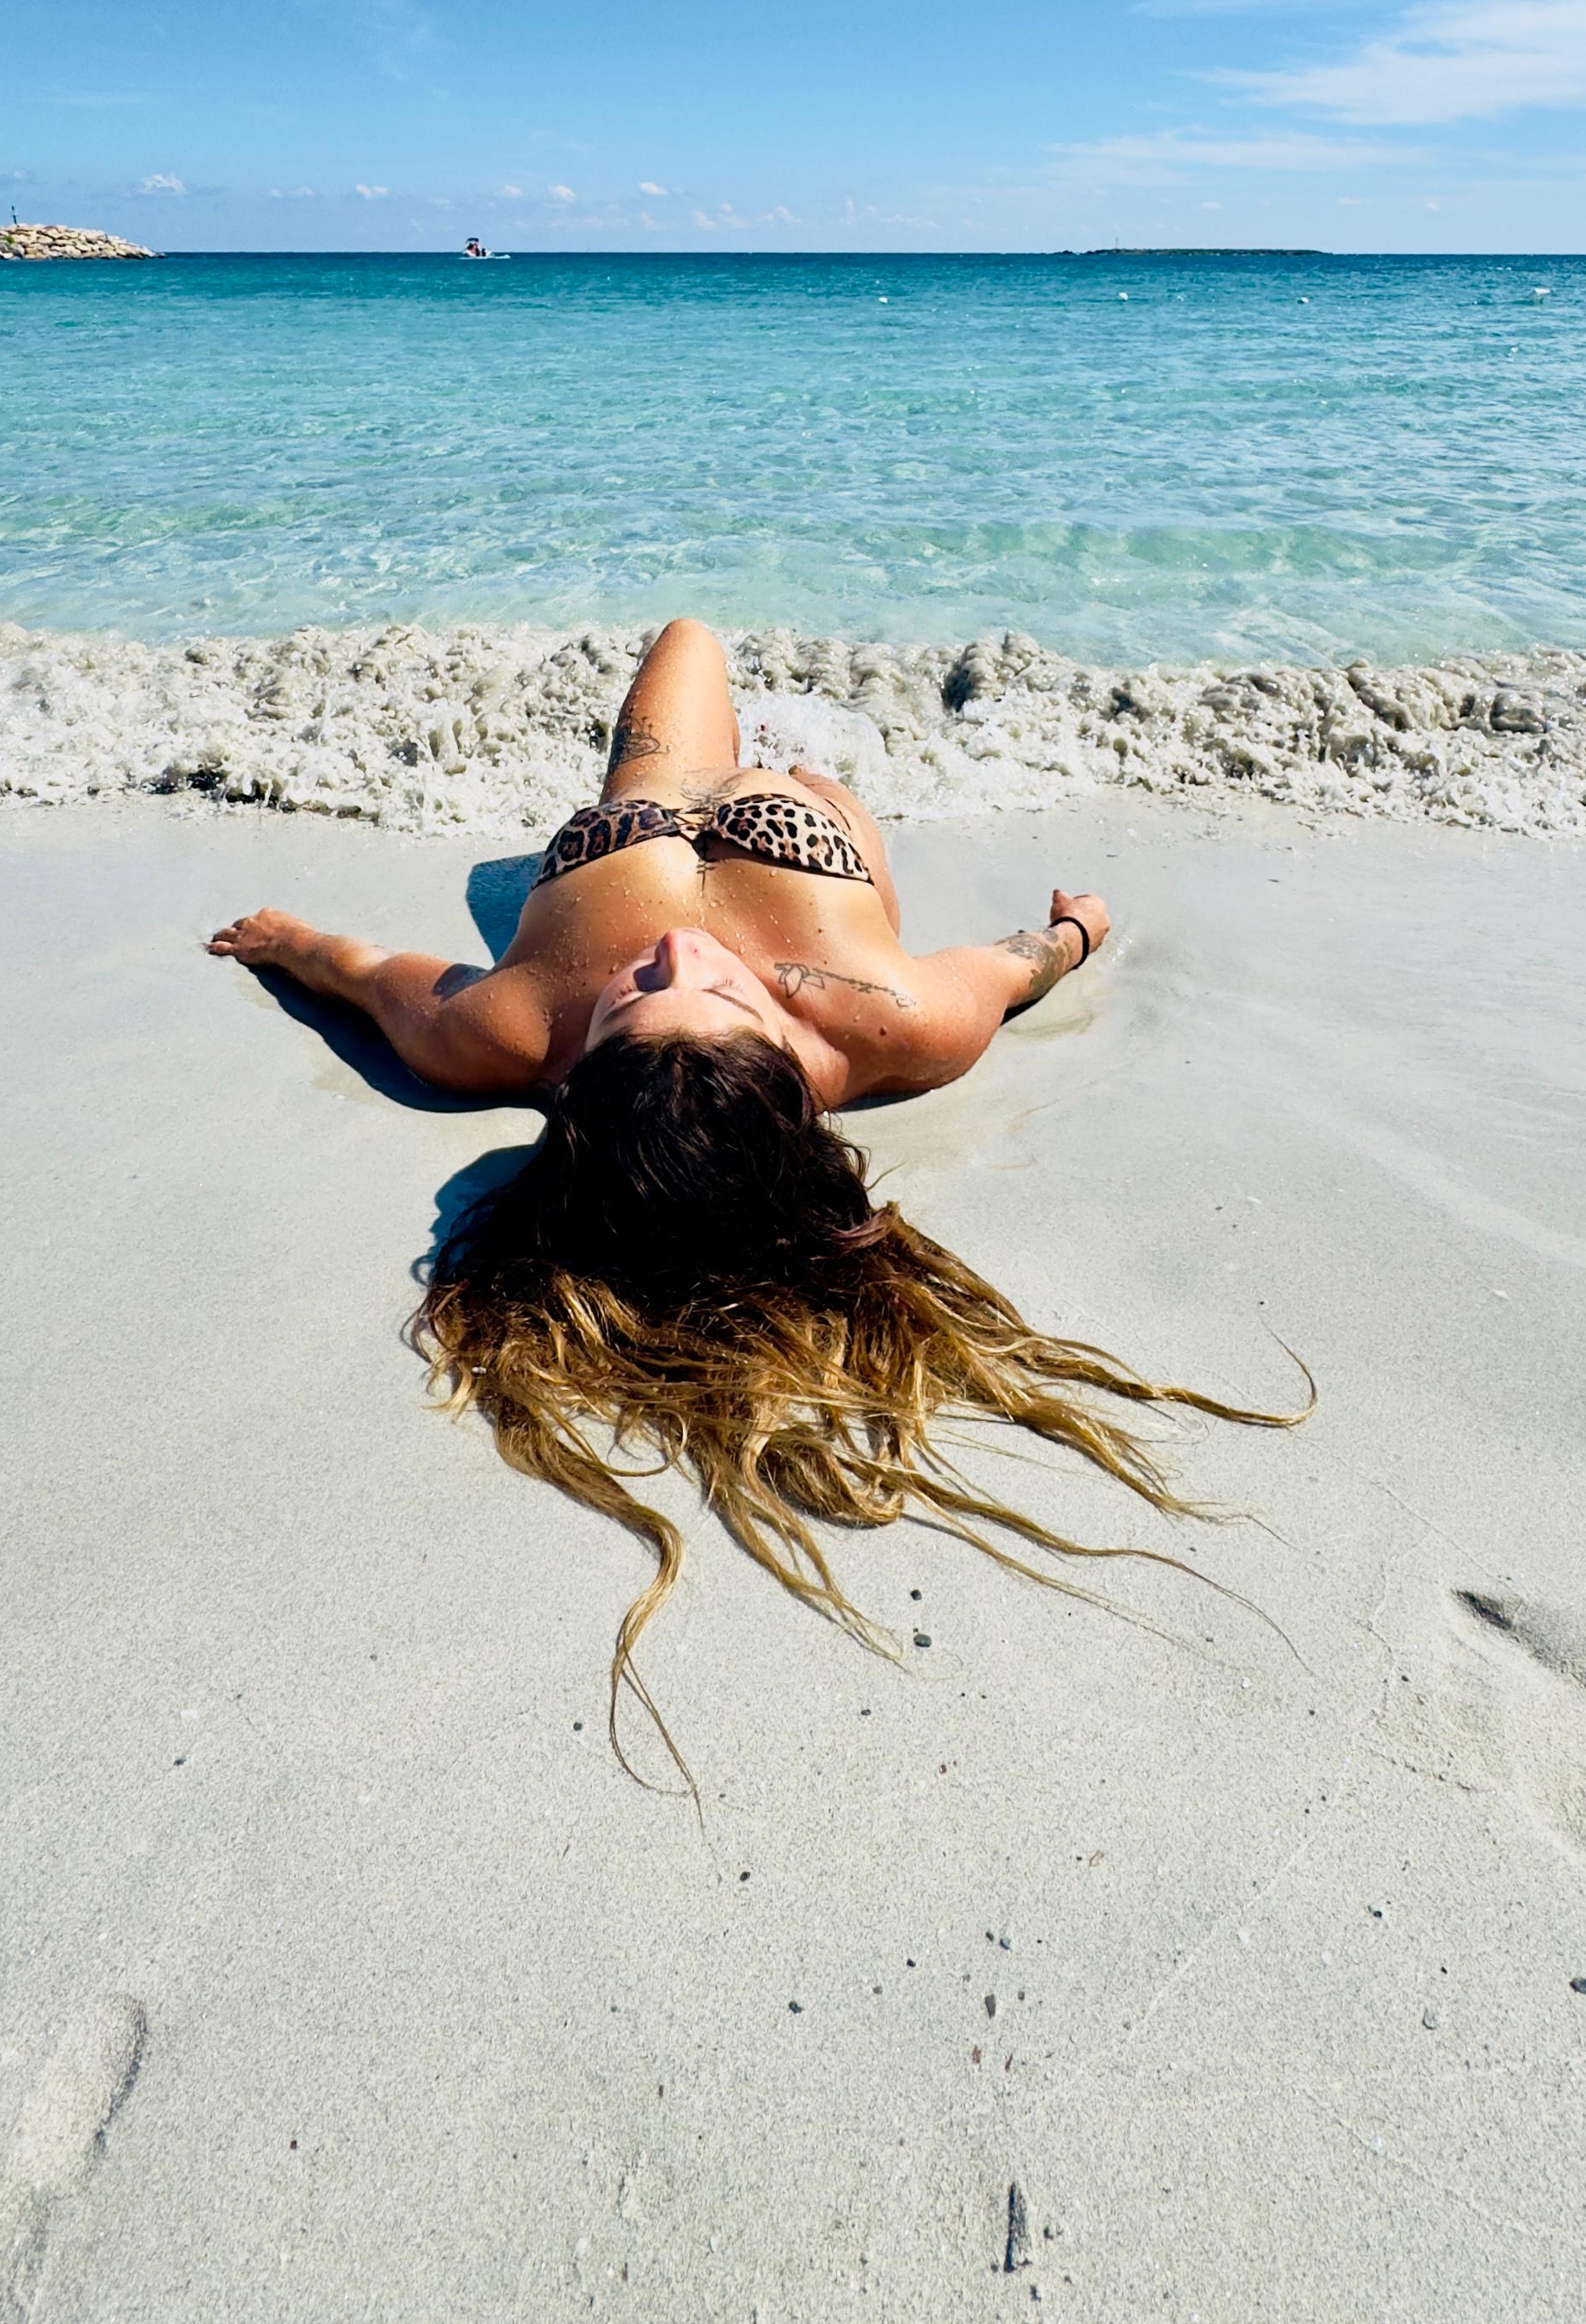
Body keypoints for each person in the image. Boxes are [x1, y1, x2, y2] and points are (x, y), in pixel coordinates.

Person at [207, 618, 1298, 1775]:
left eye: (636, 995)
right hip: (802, 812)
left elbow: (365, 975)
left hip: (651, 792)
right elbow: (1018, 965)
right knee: (762, 712)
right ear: (783, 1073)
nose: (676, 954)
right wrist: (1077, 929)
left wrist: (284, 939)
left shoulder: (506, 1031)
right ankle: (803, 753)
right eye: (705, 993)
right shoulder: (895, 1021)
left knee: (688, 635)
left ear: (579, 1081)